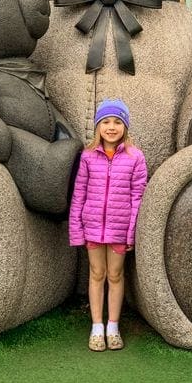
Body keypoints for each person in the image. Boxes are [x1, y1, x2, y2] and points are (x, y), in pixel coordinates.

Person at [69, 98, 148, 352]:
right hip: (92, 226)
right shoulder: (88, 156)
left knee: (115, 275)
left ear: (125, 126)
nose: (111, 127)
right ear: (98, 126)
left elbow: (138, 197)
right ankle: (96, 327)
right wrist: (76, 229)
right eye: (106, 122)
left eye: (117, 122)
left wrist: (131, 232)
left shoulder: (135, 157)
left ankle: (113, 326)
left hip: (119, 228)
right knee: (96, 274)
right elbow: (79, 194)